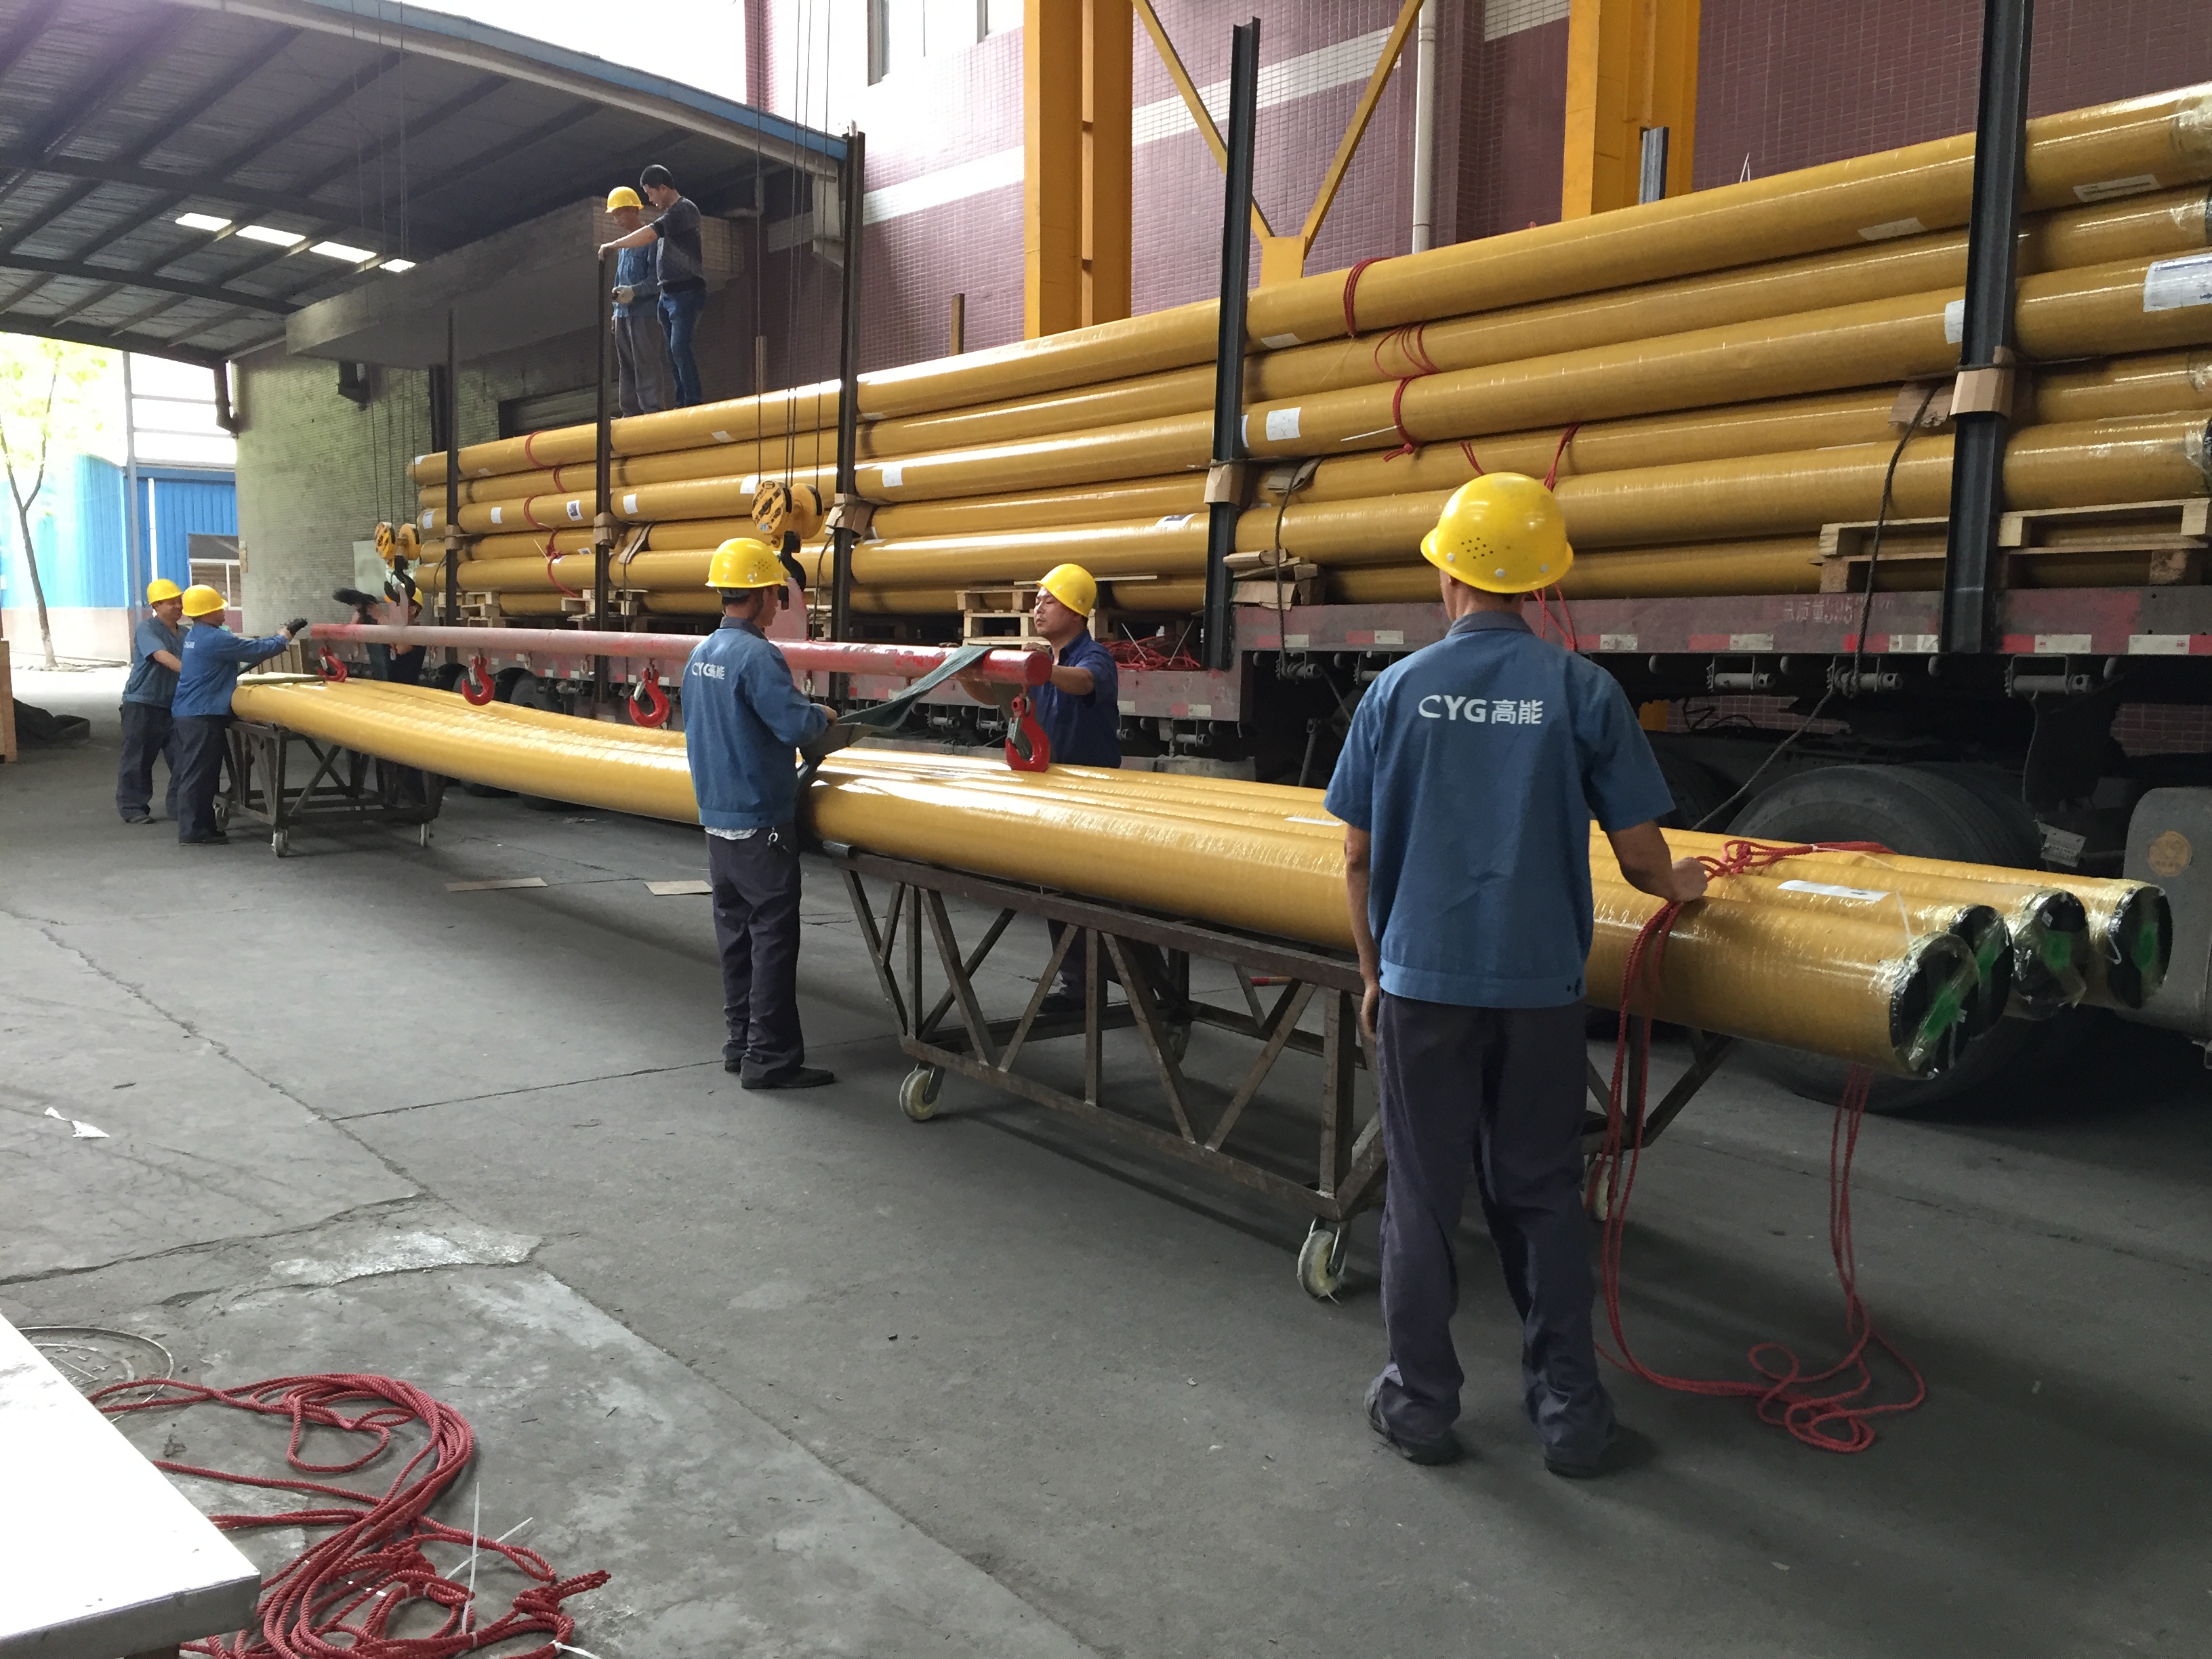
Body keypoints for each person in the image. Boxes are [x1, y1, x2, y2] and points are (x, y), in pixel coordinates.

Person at [1323, 473, 1707, 1477]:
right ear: (1541, 582)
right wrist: (1686, 885)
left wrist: (1372, 972)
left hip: (1421, 983)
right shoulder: (1583, 691)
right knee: (1540, 1193)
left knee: (1421, 1193)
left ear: (1447, 573)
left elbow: (1357, 857)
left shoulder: (1396, 691)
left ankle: (1419, 1404)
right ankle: (1571, 1415)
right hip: (1540, 992)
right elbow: (1641, 858)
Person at [684, 537, 839, 1089]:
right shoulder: (757, 656)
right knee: (772, 939)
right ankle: (769, 1059)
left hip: (718, 820)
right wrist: (821, 715)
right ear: (761, 595)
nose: (779, 602)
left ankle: (740, 1043)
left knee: (736, 937)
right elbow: (796, 726)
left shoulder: (702, 654)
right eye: (776, 591)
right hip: (760, 823)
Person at [956, 562, 1120, 1014]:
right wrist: (966, 673)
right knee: (1058, 891)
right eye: (1038, 600)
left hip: (1090, 794)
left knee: (1085, 894)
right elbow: (997, 696)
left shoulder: (1092, 658)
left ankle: (1100, 985)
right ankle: (1078, 987)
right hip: (1053, 791)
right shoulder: (1048, 663)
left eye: (1049, 600)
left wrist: (1042, 669)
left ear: (1076, 610)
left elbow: (1085, 683)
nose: (1037, 607)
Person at [169, 586, 306, 846]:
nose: (223, 612)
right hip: (202, 714)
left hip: (193, 711)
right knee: (199, 774)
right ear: (207, 612)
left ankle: (202, 827)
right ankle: (193, 830)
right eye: (219, 609)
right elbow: (254, 650)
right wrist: (284, 636)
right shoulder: (214, 639)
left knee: (200, 773)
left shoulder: (196, 635)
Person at [599, 164, 705, 407]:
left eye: (650, 193)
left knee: (677, 348)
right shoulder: (664, 221)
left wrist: (614, 245)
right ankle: (680, 402)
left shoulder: (682, 211)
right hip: (668, 295)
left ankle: (690, 402)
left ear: (663, 188)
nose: (650, 199)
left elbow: (650, 234)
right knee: (670, 352)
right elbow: (623, 276)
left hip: (684, 291)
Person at [117, 577, 186, 824]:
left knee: (183, 756)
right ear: (156, 606)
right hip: (143, 703)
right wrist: (192, 673)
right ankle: (133, 807)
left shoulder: (186, 634)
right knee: (138, 758)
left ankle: (181, 806)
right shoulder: (147, 629)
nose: (178, 606)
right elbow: (161, 656)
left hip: (174, 706)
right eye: (171, 602)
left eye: (179, 601)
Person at [602, 186, 668, 417]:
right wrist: (615, 310)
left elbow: (656, 280)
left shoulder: (651, 240)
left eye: (620, 213)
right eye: (615, 215)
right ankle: (630, 412)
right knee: (627, 365)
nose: (617, 219)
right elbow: (619, 280)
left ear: (633, 210)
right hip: (624, 315)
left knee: (645, 361)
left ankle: (652, 409)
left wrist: (634, 292)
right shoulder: (624, 247)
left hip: (644, 314)